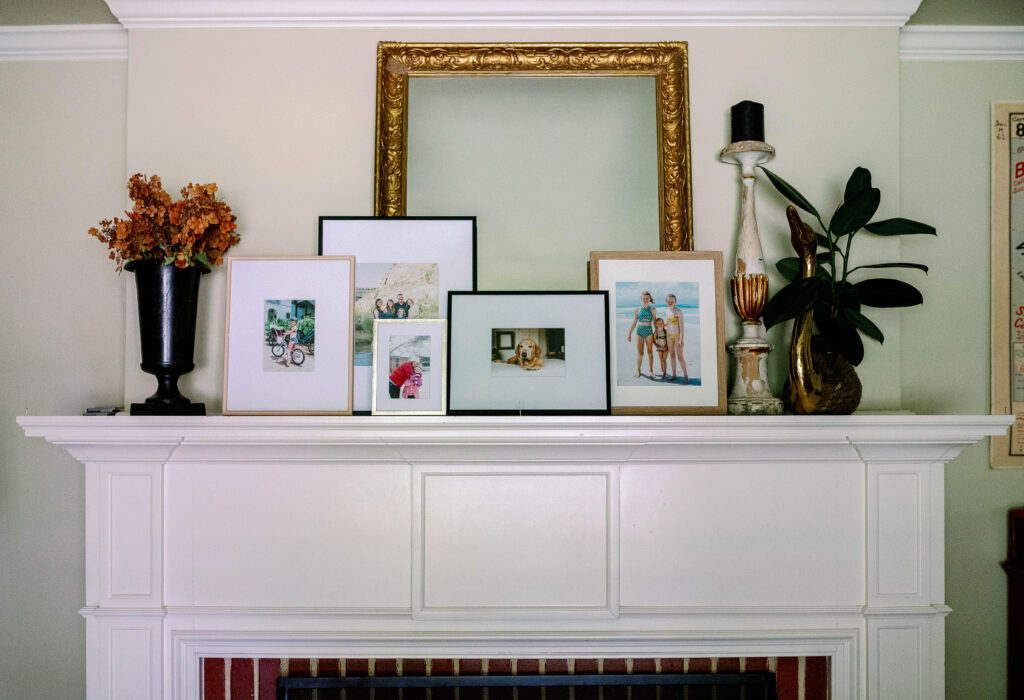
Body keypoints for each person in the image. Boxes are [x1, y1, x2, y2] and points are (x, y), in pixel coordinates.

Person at [626, 291, 657, 378]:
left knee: (650, 352)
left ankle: (651, 371)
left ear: (650, 299)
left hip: (649, 331)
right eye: (644, 298)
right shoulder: (637, 310)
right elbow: (634, 322)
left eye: (647, 298)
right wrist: (629, 333)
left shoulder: (653, 309)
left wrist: (657, 333)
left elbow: (655, 322)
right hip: (639, 331)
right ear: (641, 299)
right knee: (640, 353)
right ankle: (638, 370)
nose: (645, 300)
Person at [664, 293, 689, 383]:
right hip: (669, 336)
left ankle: (685, 376)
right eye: (668, 300)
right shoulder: (666, 311)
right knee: (672, 356)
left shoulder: (678, 311)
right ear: (666, 301)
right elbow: (669, 323)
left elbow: (681, 326)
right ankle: (674, 374)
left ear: (675, 301)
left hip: (677, 336)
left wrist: (681, 339)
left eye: (672, 300)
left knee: (680, 357)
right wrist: (662, 325)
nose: (670, 302)